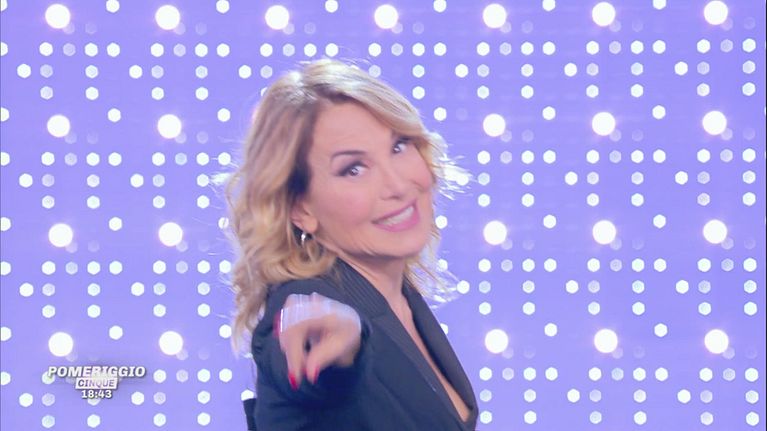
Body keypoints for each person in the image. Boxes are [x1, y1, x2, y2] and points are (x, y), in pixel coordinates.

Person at [225, 59, 477, 430]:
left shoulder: (397, 295)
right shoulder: (307, 303)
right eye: (353, 169)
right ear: (301, 209)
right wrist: (342, 346)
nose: (397, 186)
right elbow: (312, 362)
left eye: (399, 146)